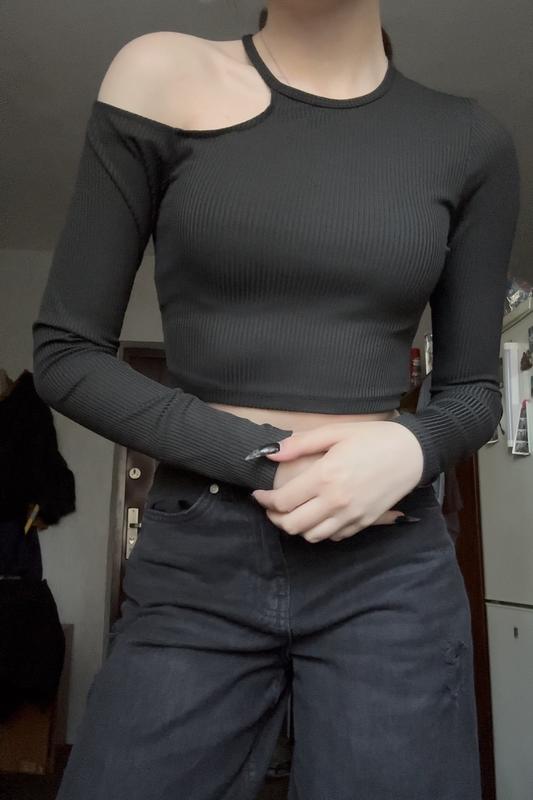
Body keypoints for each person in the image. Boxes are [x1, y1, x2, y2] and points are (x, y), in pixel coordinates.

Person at [31, 1, 520, 798]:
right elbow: (65, 355)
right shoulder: (161, 73)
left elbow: (471, 394)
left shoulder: (470, 141)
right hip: (200, 550)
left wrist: (412, 445)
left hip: (388, 557)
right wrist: (264, 461)